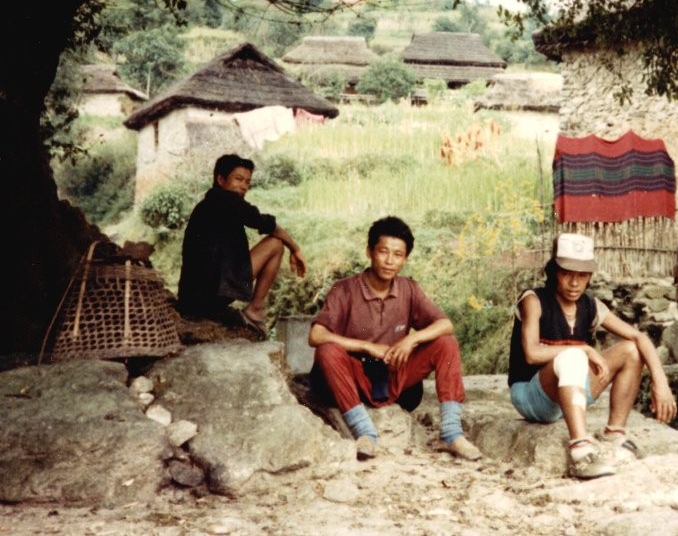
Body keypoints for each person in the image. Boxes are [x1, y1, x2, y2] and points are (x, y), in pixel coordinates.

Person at [309, 216, 482, 462]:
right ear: (369, 251)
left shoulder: (408, 289)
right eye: (383, 252)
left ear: (405, 258)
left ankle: (452, 433)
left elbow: (446, 325)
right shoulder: (344, 289)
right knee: (327, 351)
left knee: (446, 344)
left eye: (398, 255)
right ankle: (365, 432)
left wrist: (411, 340)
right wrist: (367, 346)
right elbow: (316, 335)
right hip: (353, 375)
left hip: (392, 373)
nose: (390, 261)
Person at [508, 233, 677, 479]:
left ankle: (614, 432)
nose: (574, 283)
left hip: (571, 391)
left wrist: (660, 383)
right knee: (573, 357)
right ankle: (581, 453)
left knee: (630, 349)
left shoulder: (590, 305)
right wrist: (585, 349)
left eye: (582, 275)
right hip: (533, 395)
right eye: (567, 274)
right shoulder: (534, 300)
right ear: (554, 271)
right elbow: (532, 353)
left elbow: (640, 338)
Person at [177, 153, 306, 336]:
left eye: (247, 182)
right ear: (220, 179)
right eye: (238, 179)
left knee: (273, 243)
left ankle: (251, 310)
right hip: (209, 295)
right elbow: (271, 227)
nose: (243, 186)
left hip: (193, 298)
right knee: (276, 244)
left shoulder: (208, 204)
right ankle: (254, 309)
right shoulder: (227, 200)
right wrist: (296, 249)